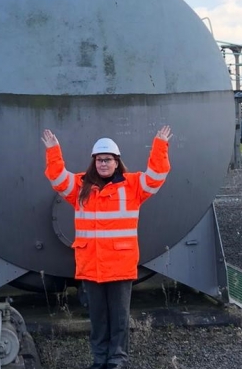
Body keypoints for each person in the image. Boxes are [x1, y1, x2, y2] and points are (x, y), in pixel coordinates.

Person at [41, 125, 172, 369]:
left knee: (119, 318)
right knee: (98, 318)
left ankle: (117, 360)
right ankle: (100, 359)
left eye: (108, 159)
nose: (103, 164)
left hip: (120, 266)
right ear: (94, 162)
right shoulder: (80, 187)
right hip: (92, 265)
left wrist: (160, 146)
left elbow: (156, 175)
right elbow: (58, 178)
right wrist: (52, 150)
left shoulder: (132, 186)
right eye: (99, 160)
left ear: (116, 162)